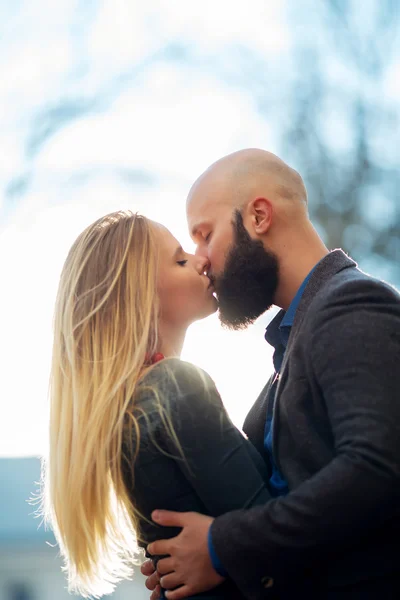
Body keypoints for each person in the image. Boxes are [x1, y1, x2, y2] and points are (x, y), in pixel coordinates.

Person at [142, 149, 400, 600]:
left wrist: (222, 547)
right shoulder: (290, 347)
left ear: (259, 215)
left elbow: (378, 468)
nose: (201, 259)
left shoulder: (352, 303)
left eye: (205, 235)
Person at [39, 210, 275, 600]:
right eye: (181, 260)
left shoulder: (130, 409)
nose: (202, 260)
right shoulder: (173, 388)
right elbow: (272, 539)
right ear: (139, 296)